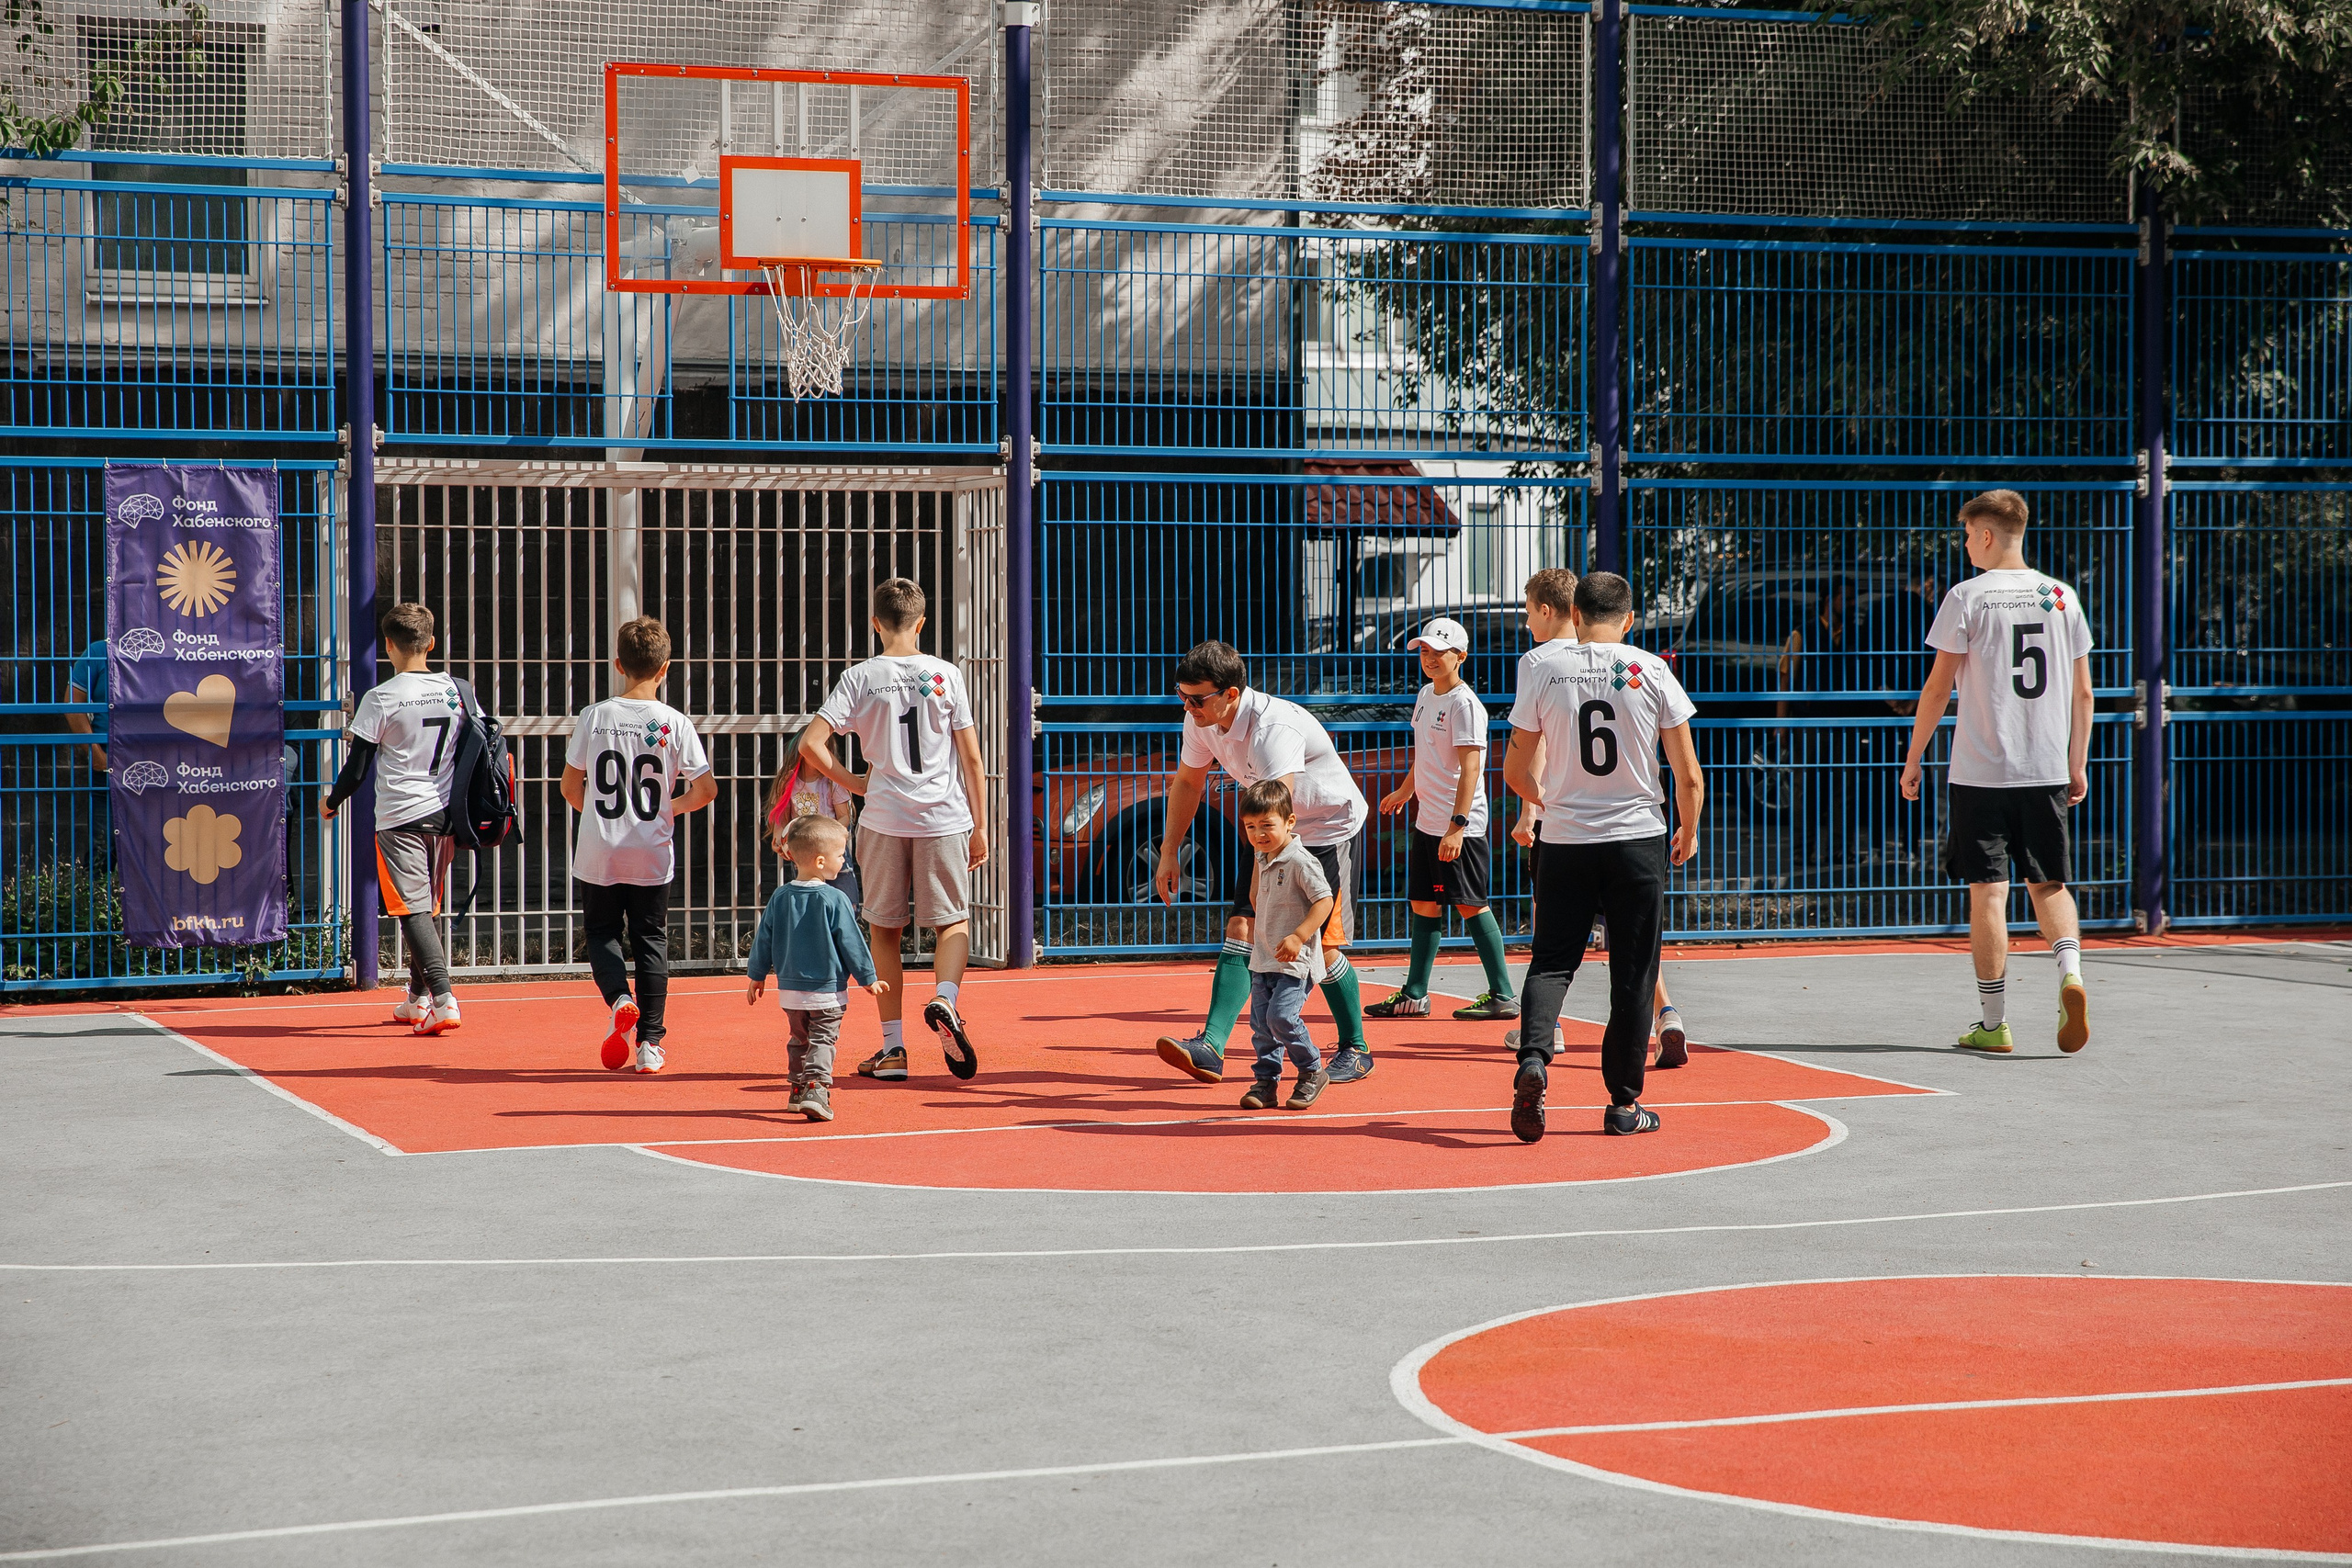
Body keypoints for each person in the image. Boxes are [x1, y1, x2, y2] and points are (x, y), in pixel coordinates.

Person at [1499, 571, 1703, 1144]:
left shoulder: (1541, 667)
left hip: (1565, 840)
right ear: (1630, 619)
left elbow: (1516, 769)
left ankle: (1534, 1060)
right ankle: (1622, 1104)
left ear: (1576, 616)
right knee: (1633, 974)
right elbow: (1688, 773)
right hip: (1637, 838)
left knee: (1552, 960)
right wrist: (1689, 828)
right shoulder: (1652, 669)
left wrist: (1551, 800)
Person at [1897, 489, 2094, 1055]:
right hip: (2045, 768)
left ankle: (1994, 1022)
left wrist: (1914, 759)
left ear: (1985, 535)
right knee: (2049, 882)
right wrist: (2075, 762)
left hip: (1982, 771)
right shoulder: (2061, 597)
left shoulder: (1967, 597)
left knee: (1988, 892)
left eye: (1966, 535)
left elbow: (1937, 688)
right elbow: (2083, 693)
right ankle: (2071, 974)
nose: (1964, 544)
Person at [1149, 640, 1374, 1084]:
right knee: (1242, 927)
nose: (1187, 705)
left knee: (1319, 947)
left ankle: (1356, 1047)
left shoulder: (1275, 729)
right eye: (1181, 694)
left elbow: (1279, 811)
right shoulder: (1202, 719)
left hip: (1324, 829)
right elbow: (1189, 782)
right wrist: (1169, 851)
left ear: (1230, 693)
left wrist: (1261, 883)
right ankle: (1212, 1046)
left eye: (1197, 698)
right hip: (1268, 831)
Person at [797, 578, 989, 1083]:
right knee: (952, 922)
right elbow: (970, 756)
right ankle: (945, 1000)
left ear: (876, 624)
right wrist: (982, 824)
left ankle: (894, 1048)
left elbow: (811, 744)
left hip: (883, 818)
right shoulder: (946, 675)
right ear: (922, 623)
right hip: (944, 817)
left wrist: (853, 781)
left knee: (885, 928)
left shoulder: (860, 677)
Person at [321, 604, 492, 1037]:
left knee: (410, 908)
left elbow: (357, 769)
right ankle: (416, 999)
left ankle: (443, 997)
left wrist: (332, 800)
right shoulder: (459, 690)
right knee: (426, 906)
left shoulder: (382, 697)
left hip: (400, 815)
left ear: (389, 646)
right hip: (447, 814)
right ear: (431, 644)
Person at [558, 617, 718, 1075]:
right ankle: (651, 1043)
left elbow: (571, 786)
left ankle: (619, 998)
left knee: (602, 933)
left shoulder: (596, 715)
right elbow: (706, 791)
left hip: (599, 849)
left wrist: (596, 816)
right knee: (651, 937)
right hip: (651, 847)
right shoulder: (674, 722)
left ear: (618, 665)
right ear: (665, 668)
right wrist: (668, 807)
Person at [1364, 615, 1519, 1021]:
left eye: (1439, 651)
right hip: (1427, 823)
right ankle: (1415, 995)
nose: (1430, 658)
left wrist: (1458, 826)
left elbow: (1472, 770)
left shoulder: (1466, 704)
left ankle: (1503, 994)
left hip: (1459, 828)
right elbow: (1427, 754)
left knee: (1470, 905)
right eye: (1425, 651)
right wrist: (1406, 788)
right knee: (1424, 903)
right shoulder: (1425, 695)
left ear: (1461, 656)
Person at [745, 812, 885, 1123]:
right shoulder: (836, 899)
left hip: (790, 992)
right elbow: (852, 942)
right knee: (823, 1040)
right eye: (840, 855)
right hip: (826, 990)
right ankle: (816, 1088)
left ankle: (796, 1090)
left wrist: (756, 975)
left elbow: (763, 940)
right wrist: (869, 978)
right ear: (820, 861)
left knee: (799, 1039)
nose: (843, 861)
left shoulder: (780, 896)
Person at [1232, 779, 1334, 1111]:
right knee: (1261, 1026)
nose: (1259, 834)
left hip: (1294, 961)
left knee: (1281, 1018)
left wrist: (1298, 935)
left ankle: (1311, 1070)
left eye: (1267, 825)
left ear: (1289, 822)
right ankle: (1266, 1082)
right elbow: (1254, 895)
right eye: (1251, 827)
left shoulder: (1301, 861)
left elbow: (1324, 901)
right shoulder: (1262, 858)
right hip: (1264, 957)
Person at [764, 725, 863, 918]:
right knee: (808, 903)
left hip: (831, 850)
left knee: (844, 901)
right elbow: (780, 813)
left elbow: (846, 816)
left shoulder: (834, 780)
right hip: (804, 851)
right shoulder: (788, 781)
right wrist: (779, 832)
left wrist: (828, 833)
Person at [63, 637, 109, 773]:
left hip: (167, 762)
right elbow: (72, 704)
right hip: (110, 765)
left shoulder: (173, 654)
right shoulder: (99, 652)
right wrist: (97, 757)